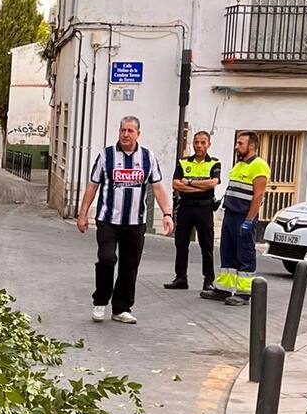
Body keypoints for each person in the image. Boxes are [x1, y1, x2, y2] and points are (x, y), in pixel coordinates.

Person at [77, 115, 174, 325]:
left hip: (135, 222)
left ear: (138, 133)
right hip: (108, 220)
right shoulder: (106, 156)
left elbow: (158, 187)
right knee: (107, 258)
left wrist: (167, 214)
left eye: (130, 131)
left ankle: (121, 308)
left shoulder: (148, 157)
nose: (125, 135)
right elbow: (93, 186)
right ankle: (100, 301)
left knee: (129, 266)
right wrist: (83, 214)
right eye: (122, 130)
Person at [204, 130, 270, 307]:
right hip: (231, 214)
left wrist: (249, 220)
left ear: (252, 146)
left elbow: (258, 196)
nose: (236, 146)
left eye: (240, 143)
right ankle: (223, 289)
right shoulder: (239, 165)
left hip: (243, 216)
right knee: (228, 253)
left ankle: (244, 293)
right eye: (237, 143)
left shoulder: (259, 166)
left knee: (245, 254)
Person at [164, 130, 221, 291]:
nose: (199, 146)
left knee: (206, 245)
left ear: (208, 144)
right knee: (181, 244)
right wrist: (200, 185)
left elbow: (213, 183)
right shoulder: (183, 162)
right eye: (196, 142)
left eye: (203, 142)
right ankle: (181, 278)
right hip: (185, 207)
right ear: (193, 144)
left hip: (205, 207)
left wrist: (188, 182)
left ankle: (208, 280)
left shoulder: (214, 163)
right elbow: (175, 185)